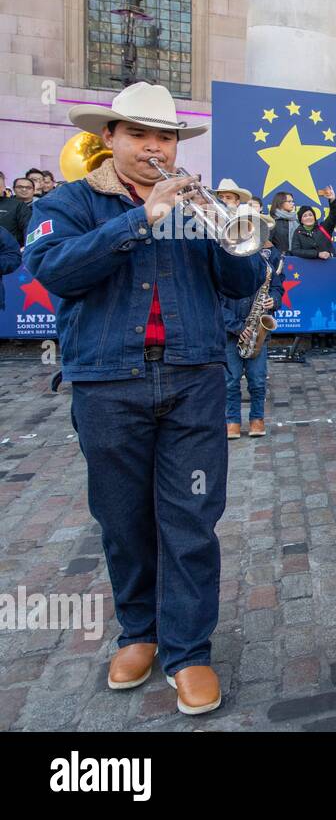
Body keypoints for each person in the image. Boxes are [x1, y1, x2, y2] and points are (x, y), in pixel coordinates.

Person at [25, 82, 267, 714]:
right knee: (123, 519)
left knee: (191, 518)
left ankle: (188, 651)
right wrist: (142, 218)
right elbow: (54, 271)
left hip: (192, 377)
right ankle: (140, 630)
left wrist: (238, 236)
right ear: (110, 138)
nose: (155, 148)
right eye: (139, 135)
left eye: (164, 137)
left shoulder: (198, 205)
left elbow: (240, 282)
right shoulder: (68, 201)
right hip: (108, 381)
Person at [221, 216, 284, 440]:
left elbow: (277, 287)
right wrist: (237, 327)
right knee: (231, 380)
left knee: (257, 379)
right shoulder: (224, 260)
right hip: (231, 333)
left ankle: (257, 419)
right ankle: (232, 421)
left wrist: (273, 300)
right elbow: (216, 301)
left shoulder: (266, 262)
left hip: (258, 329)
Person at [0, 172, 31, 244]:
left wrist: (26, 247)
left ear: (4, 188)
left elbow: (28, 228)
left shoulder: (17, 205)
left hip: (9, 252)